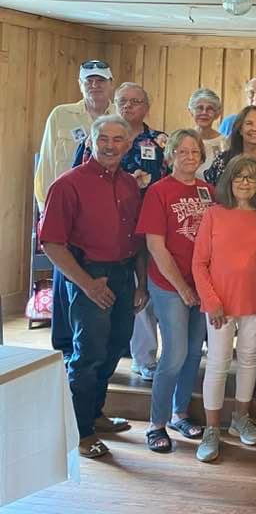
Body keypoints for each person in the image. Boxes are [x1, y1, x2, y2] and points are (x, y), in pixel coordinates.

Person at [39, 114, 147, 459]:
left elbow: (138, 241)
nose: (110, 146)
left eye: (118, 140)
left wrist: (141, 284)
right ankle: (81, 431)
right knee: (87, 355)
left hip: (123, 275)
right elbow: (51, 243)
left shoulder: (129, 184)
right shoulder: (68, 184)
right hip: (88, 275)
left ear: (128, 145)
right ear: (91, 141)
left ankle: (95, 413)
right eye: (103, 138)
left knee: (115, 346)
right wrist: (86, 285)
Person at [71, 82, 167, 380]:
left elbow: (167, 181)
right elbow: (77, 178)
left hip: (147, 230)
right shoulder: (96, 139)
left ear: (146, 107)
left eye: (135, 101)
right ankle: (132, 359)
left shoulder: (160, 141)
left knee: (143, 294)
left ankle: (146, 357)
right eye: (123, 100)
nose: (128, 106)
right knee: (93, 335)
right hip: (101, 242)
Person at [136, 129, 215, 453]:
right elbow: (155, 246)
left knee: (195, 352)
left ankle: (178, 413)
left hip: (201, 284)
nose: (189, 157)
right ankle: (155, 424)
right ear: (170, 156)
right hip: (170, 284)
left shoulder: (208, 191)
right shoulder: (159, 191)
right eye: (182, 151)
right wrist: (182, 288)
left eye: (194, 151)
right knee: (175, 353)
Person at [196, 156, 256, 461]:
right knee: (218, 363)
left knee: (249, 359)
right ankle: (212, 428)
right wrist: (211, 301)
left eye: (252, 178)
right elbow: (199, 263)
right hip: (220, 305)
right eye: (239, 177)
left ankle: (240, 418)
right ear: (229, 181)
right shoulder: (214, 214)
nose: (245, 182)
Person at [36, 59, 116, 213]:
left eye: (101, 80)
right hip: (65, 200)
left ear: (111, 83)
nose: (94, 85)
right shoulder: (60, 115)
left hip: (108, 203)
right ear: (80, 84)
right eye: (89, 81)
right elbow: (47, 162)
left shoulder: (121, 118)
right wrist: (45, 206)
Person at [205, 105, 256, 205]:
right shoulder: (223, 160)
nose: (255, 128)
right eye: (249, 123)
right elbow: (211, 193)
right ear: (240, 129)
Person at [187, 88, 227, 177]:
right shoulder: (182, 140)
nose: (204, 112)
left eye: (210, 109)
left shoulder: (225, 143)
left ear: (217, 114)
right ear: (191, 111)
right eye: (199, 108)